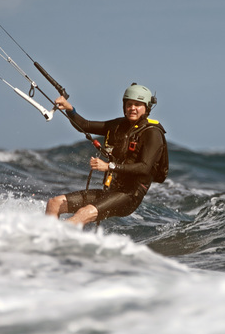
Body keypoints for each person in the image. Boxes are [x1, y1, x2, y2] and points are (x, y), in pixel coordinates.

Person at [45, 83, 167, 226]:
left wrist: (109, 166)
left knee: (84, 213)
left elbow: (144, 168)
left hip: (129, 196)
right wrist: (69, 109)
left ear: (146, 107)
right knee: (54, 203)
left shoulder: (152, 133)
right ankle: (46, 243)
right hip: (111, 191)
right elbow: (85, 125)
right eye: (129, 104)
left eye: (138, 104)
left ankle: (54, 238)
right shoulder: (118, 126)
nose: (132, 108)